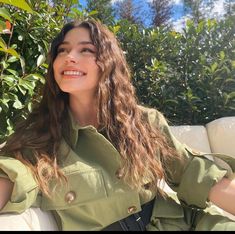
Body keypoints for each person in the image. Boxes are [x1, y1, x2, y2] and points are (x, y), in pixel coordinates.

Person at [0, 18, 235, 231]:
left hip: (186, 223)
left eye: (86, 50)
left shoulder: (144, 122)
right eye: (63, 50)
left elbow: (195, 175)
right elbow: (12, 177)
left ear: (108, 63)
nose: (69, 56)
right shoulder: (39, 139)